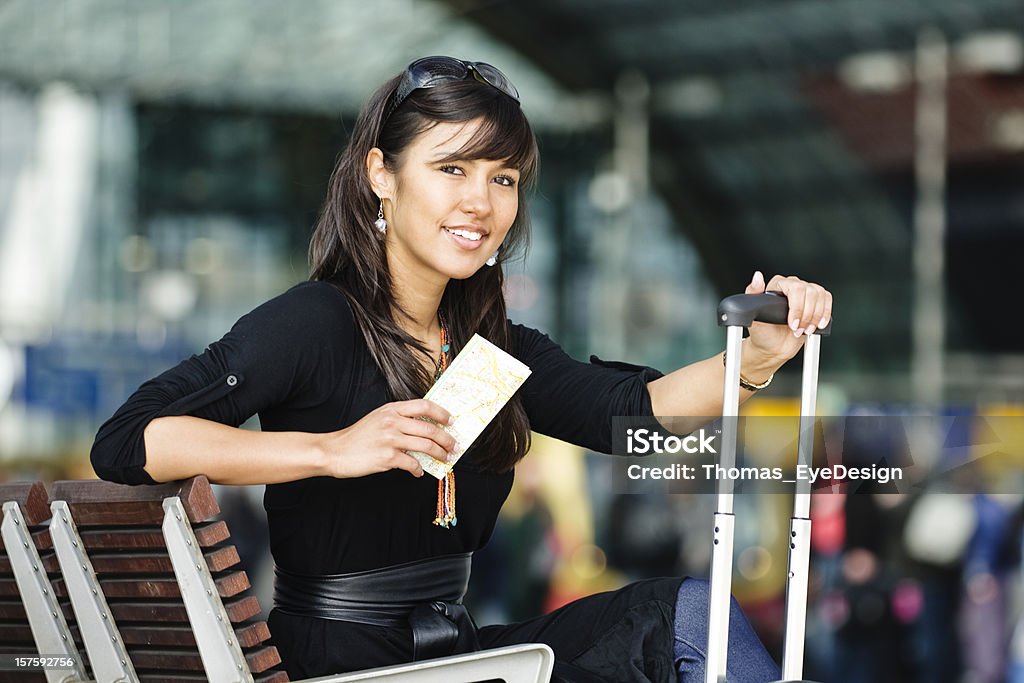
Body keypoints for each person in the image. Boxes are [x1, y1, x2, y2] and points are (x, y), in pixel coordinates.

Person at [91, 56, 833, 682]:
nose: (480, 202)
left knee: (684, 616)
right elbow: (127, 440)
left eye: (503, 178)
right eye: (452, 168)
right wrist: (330, 449)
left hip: (453, 657)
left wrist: (754, 361)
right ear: (382, 175)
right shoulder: (318, 321)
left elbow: (631, 413)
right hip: (347, 666)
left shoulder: (484, 350)